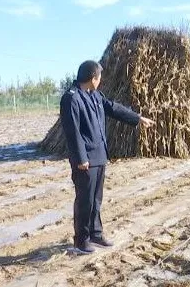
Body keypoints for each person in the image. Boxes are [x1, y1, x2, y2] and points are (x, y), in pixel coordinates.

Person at [60, 60, 156, 254]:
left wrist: (137, 118)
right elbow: (72, 132)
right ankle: (81, 240)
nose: (100, 80)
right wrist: (81, 159)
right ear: (92, 78)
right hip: (85, 160)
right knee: (84, 200)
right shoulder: (71, 98)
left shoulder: (95, 95)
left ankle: (95, 233)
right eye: (99, 77)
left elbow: (113, 108)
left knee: (96, 200)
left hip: (100, 156)